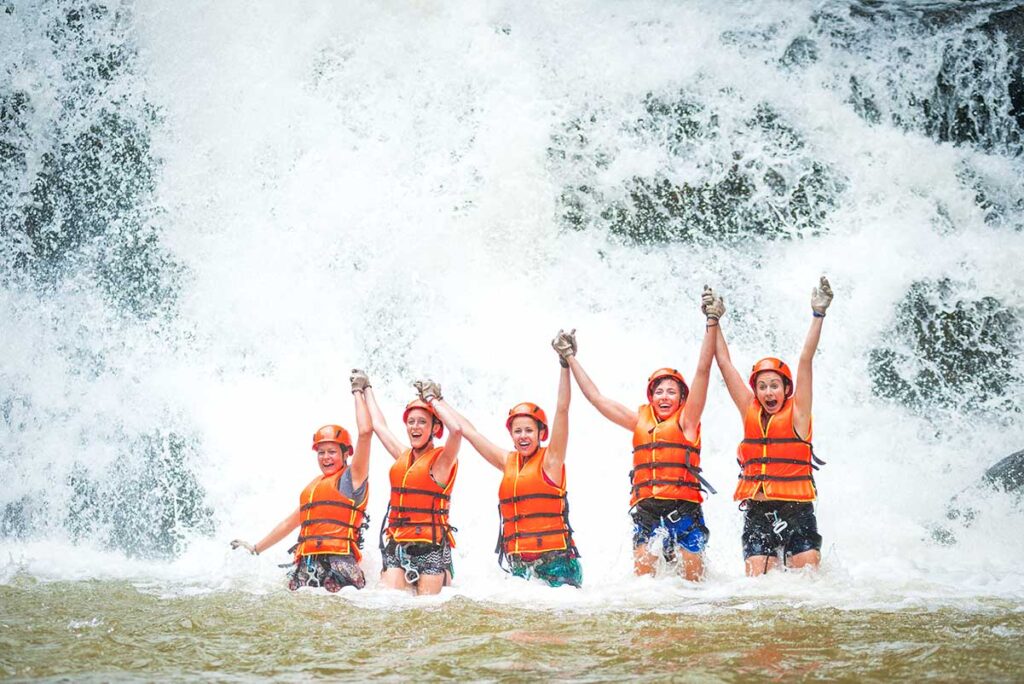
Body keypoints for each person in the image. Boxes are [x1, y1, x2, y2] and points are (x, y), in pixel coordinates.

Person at [560, 291, 718, 581]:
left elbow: (703, 371)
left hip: (683, 509)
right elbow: (597, 399)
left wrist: (712, 321)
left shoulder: (688, 421)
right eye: (659, 391)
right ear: (651, 397)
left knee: (694, 587)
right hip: (647, 510)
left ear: (682, 397)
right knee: (646, 587)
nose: (664, 396)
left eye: (671, 391)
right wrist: (569, 358)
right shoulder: (638, 421)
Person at [704, 276, 832, 576]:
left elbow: (805, 360)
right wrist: (713, 320)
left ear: (786, 389)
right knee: (762, 593)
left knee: (805, 592)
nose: (768, 392)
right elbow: (724, 363)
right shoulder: (749, 409)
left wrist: (818, 315)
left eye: (775, 385)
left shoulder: (799, 413)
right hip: (757, 512)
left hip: (797, 511)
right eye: (762, 386)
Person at [446, 338, 581, 588]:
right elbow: (470, 432)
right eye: (517, 431)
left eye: (528, 430)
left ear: (542, 433)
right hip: (520, 567)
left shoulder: (551, 460)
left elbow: (562, 409)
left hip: (557, 565)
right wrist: (438, 400)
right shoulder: (508, 461)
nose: (523, 436)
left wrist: (565, 364)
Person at [229, 385, 372, 591]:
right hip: (307, 564)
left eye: (331, 451)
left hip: (340, 564)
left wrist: (359, 392)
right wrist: (255, 548)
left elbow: (366, 433)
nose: (325, 457)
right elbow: (288, 524)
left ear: (345, 453)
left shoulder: (353, 478)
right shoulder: (313, 488)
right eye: (321, 452)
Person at [357, 370, 462, 595]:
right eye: (411, 422)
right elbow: (379, 425)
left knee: (426, 610)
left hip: (432, 549)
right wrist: (366, 389)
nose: (415, 427)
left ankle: (445, 575)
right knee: (390, 601)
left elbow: (457, 430)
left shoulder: (442, 463)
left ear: (435, 428)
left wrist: (433, 399)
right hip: (399, 545)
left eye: (422, 422)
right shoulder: (402, 456)